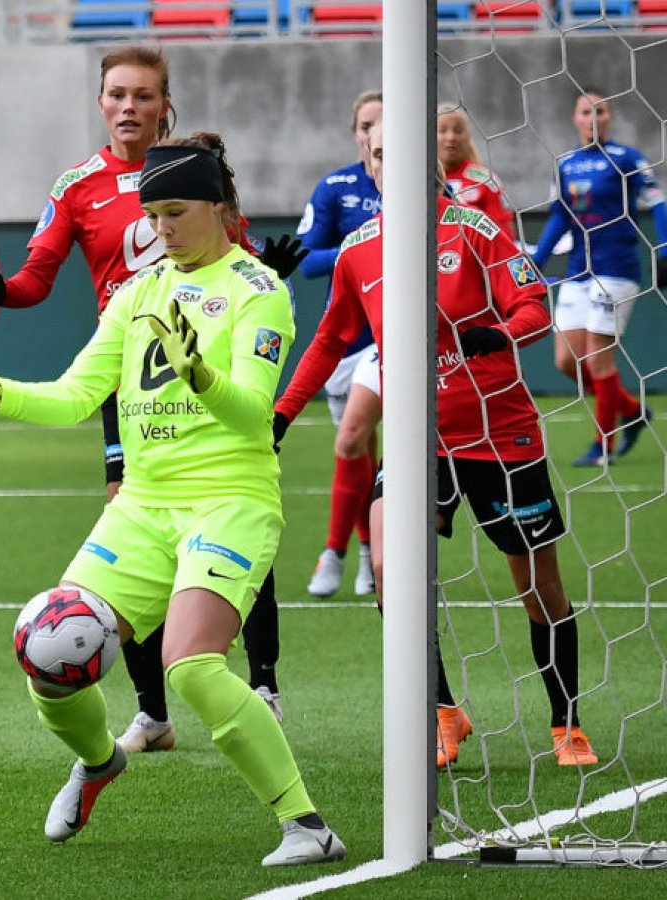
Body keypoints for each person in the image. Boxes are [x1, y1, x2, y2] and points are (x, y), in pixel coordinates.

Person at [0, 133, 344, 866]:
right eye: (151, 214)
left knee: (190, 667)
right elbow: (77, 395)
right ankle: (97, 762)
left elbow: (255, 416)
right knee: (48, 651)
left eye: (175, 212)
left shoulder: (259, 290)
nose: (159, 229)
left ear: (218, 206)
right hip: (143, 506)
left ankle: (306, 826)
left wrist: (202, 376)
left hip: (228, 501)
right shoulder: (137, 292)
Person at [0, 43, 299, 752]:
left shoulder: (192, 177)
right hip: (133, 377)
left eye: (143, 95)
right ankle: (151, 710)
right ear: (100, 102)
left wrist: (265, 278)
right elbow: (37, 279)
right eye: (117, 94)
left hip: (211, 380)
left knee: (228, 524)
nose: (128, 107)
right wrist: (2, 297)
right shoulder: (79, 185)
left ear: (163, 103)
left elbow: (233, 273)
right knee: (132, 524)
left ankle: (259, 677)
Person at [274, 119, 598, 770]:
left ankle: (566, 724)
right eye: (380, 155)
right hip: (422, 442)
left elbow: (535, 304)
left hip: (499, 435)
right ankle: (442, 712)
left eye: (404, 152)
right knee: (392, 569)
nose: (392, 164)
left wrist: (500, 334)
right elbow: (332, 339)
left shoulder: (478, 230)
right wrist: (281, 414)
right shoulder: (359, 249)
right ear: (369, 166)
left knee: (539, 589)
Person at [530, 89, 665, 467]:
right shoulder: (566, 162)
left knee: (598, 362)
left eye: (600, 111)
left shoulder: (628, 158)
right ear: (575, 118)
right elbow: (560, 215)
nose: (592, 117)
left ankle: (602, 447)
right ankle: (632, 410)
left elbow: (658, 202)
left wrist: (665, 250)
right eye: (585, 111)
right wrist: (538, 260)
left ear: (609, 118)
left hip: (617, 269)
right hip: (577, 271)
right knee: (565, 361)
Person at [293, 89, 384, 600]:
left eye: (384, 123)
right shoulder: (335, 188)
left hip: (399, 338)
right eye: (367, 124)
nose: (375, 132)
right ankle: (367, 555)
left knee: (351, 441)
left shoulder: (420, 182)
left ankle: (336, 551)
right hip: (349, 340)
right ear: (357, 132)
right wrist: (369, 238)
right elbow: (307, 262)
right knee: (359, 452)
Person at [437, 103, 515, 232]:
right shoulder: (420, 181)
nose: (451, 137)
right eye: (442, 130)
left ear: (467, 136)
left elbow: (504, 234)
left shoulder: (486, 180)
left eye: (458, 130)